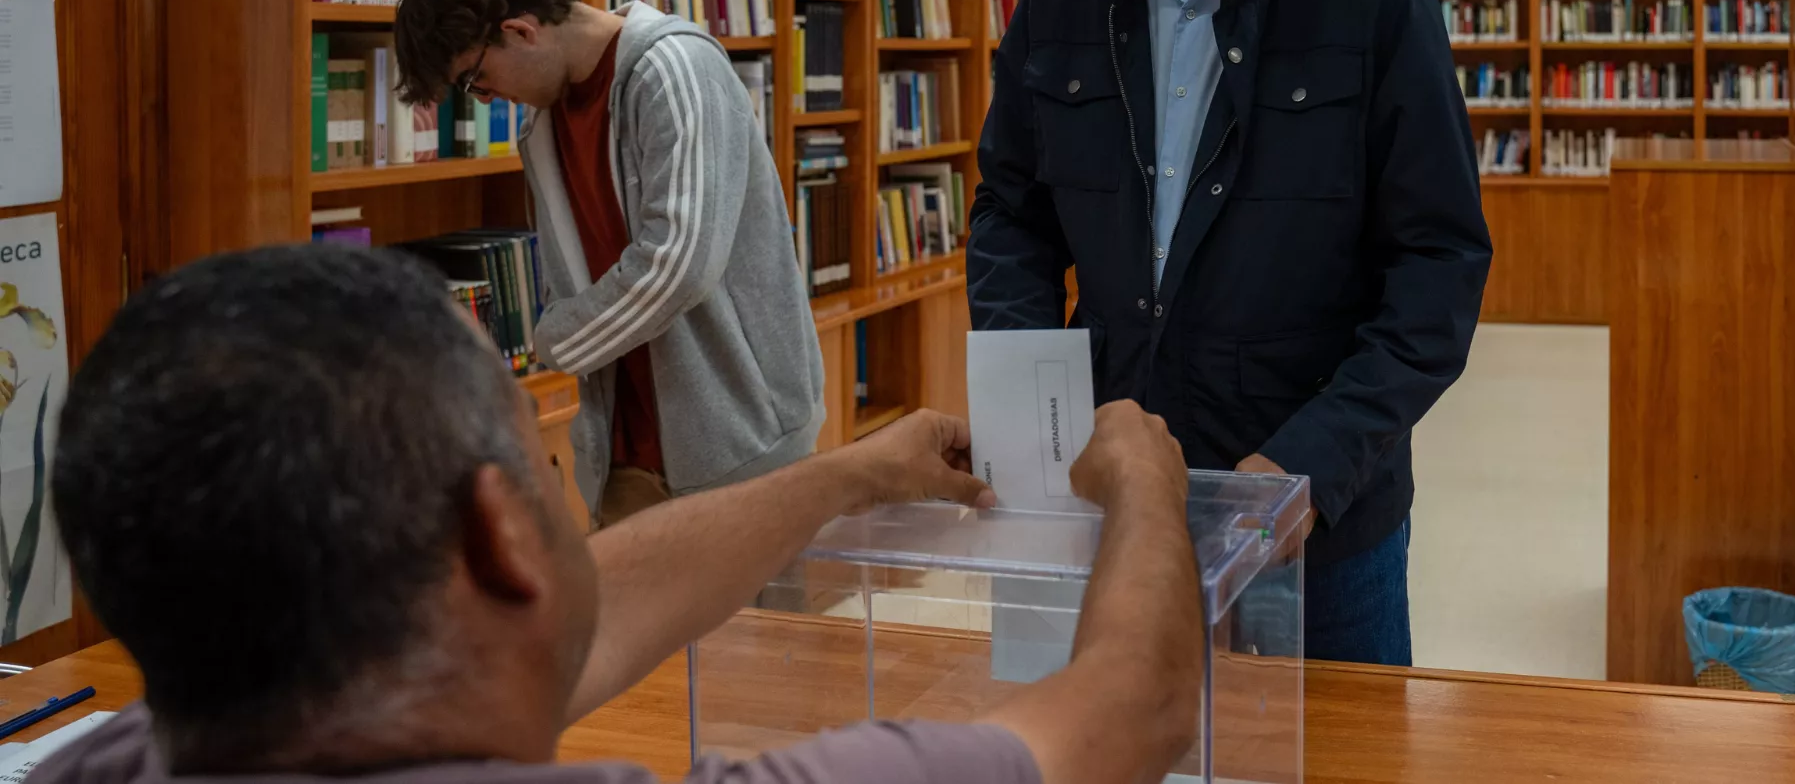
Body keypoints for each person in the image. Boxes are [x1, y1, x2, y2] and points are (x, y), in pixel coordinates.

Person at [39, 244, 1203, 784]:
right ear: (500, 535)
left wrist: (850, 474)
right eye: (537, 460)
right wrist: (1145, 483)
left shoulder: (100, 759)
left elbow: (580, 619)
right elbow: (1129, 710)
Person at [967, 0, 1492, 665]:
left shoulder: (1373, 1)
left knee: (1334, 762)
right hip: (1108, 491)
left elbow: (1437, 266)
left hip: (1313, 519)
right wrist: (1028, 412)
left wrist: (1303, 468)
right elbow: (1010, 215)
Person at [393, 0, 819, 525]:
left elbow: (679, 266)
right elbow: (571, 276)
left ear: (520, 30)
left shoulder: (674, 69)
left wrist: (552, 342)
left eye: (474, 79)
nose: (486, 96)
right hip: (622, 462)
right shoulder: (539, 129)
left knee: (764, 625)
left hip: (742, 450)